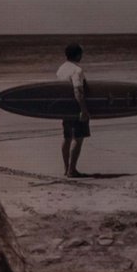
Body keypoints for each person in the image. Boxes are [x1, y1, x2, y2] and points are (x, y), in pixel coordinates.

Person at [55, 43, 92, 177]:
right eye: (81, 54)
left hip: (65, 107)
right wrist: (84, 110)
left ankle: (66, 169)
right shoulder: (77, 70)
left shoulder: (61, 69)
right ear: (78, 54)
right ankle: (72, 170)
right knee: (78, 137)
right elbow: (78, 90)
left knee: (67, 137)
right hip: (76, 107)